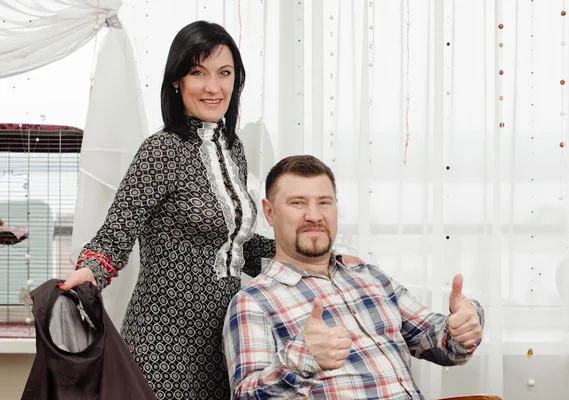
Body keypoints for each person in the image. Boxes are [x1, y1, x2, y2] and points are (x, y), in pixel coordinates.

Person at [59, 21, 359, 399]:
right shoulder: (161, 150)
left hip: (228, 337)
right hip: (164, 342)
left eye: (224, 73)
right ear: (176, 81)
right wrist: (90, 271)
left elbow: (238, 248)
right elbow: (119, 230)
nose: (213, 87)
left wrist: (324, 259)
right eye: (198, 73)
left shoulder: (234, 150)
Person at [223, 155, 485, 399]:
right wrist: (302, 359)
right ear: (269, 212)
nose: (314, 215)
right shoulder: (252, 302)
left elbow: (438, 341)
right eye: (297, 203)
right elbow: (246, 394)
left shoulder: (371, 277)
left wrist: (462, 328)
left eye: (324, 202)